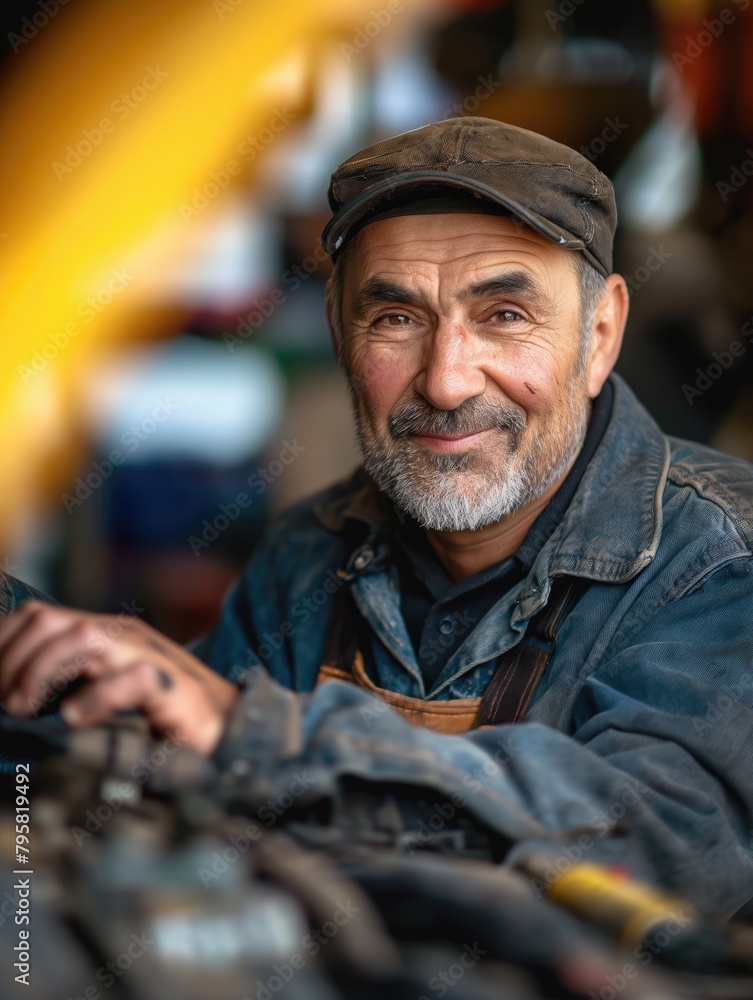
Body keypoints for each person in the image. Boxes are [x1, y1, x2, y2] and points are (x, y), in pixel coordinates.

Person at [1, 118, 752, 918]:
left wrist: (253, 734)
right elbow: (195, 803)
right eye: (395, 318)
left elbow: (658, 839)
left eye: (503, 314)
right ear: (337, 329)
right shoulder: (311, 552)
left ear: (598, 336)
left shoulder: (718, 563)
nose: (446, 381)